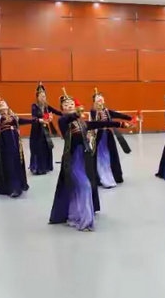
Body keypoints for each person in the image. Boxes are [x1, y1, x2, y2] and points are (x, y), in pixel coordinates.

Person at [49, 89, 127, 232]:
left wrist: (121, 124)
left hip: (84, 160)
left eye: (71, 104)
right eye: (66, 105)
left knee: (80, 189)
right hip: (72, 161)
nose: (69, 106)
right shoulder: (63, 121)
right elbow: (67, 119)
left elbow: (99, 124)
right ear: (62, 109)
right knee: (84, 186)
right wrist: (77, 113)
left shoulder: (82, 123)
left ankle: (74, 215)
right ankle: (85, 222)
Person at [90, 87, 132, 188]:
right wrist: (120, 124)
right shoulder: (93, 112)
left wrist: (131, 118)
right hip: (99, 136)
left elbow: (118, 115)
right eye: (97, 98)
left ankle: (114, 176)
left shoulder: (107, 111)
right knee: (101, 156)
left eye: (101, 97)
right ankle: (103, 178)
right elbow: (99, 122)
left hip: (108, 136)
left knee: (111, 155)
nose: (100, 99)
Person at [0, 96, 33, 198]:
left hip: (15, 142)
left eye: (4, 104)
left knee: (16, 162)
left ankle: (19, 184)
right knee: (8, 163)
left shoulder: (13, 116)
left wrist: (39, 120)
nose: (3, 106)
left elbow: (23, 121)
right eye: (0, 106)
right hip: (5, 143)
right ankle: (12, 188)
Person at [30, 82, 62, 175]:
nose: (43, 98)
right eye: (41, 96)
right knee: (38, 148)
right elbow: (34, 116)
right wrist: (46, 117)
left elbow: (56, 112)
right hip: (37, 131)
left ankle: (46, 166)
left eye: (44, 96)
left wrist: (66, 114)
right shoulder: (34, 106)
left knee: (46, 147)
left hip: (45, 131)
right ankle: (38, 167)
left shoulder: (47, 106)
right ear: (37, 97)